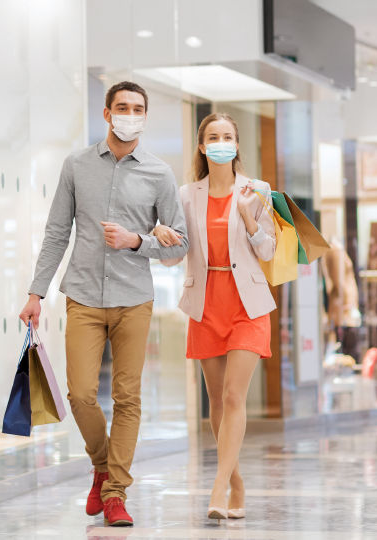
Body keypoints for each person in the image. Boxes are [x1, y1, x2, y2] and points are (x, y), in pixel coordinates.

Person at [19, 81, 189, 527]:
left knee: (128, 398)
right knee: (79, 393)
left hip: (134, 299)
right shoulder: (76, 165)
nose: (130, 114)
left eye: (138, 109)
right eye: (123, 107)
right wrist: (36, 292)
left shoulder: (159, 173)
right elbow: (58, 231)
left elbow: (178, 246)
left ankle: (115, 493)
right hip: (84, 297)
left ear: (144, 117)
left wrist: (138, 241)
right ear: (107, 113)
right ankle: (101, 465)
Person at [154, 112, 276, 522]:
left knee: (233, 397)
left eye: (228, 136)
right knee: (217, 403)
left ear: (237, 145)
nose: (221, 142)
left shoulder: (258, 190)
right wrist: (162, 237)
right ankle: (236, 481)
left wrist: (246, 216)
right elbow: (174, 258)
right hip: (206, 303)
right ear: (203, 147)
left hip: (247, 305)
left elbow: (268, 251)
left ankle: (218, 486)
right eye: (213, 137)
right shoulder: (187, 195)